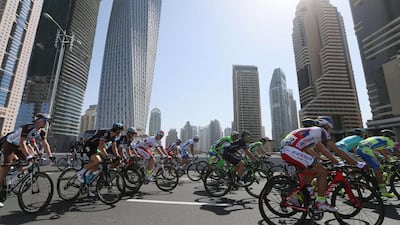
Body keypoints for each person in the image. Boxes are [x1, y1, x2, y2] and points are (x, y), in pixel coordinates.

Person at [280, 116, 362, 212]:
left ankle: (299, 195)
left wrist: (333, 161)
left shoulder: (313, 132)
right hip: (290, 151)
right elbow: (334, 148)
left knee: (311, 170)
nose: (330, 131)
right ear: (326, 126)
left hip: (288, 150)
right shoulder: (320, 131)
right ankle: (321, 202)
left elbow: (322, 149)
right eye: (331, 128)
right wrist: (356, 163)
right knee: (323, 172)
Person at [0, 113, 54, 208]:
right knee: (6, 168)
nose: (47, 123)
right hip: (9, 145)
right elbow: (22, 142)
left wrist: (50, 155)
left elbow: (45, 143)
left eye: (48, 121)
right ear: (38, 121)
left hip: (20, 146)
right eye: (45, 120)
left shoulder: (42, 131)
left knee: (32, 160)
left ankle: (12, 178)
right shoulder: (27, 127)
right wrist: (28, 155)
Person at [77, 122, 123, 188]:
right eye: (119, 130)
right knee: (97, 160)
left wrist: (118, 156)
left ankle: (87, 184)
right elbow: (102, 147)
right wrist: (107, 156)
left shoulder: (113, 137)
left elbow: (114, 147)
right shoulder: (106, 134)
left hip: (96, 148)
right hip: (89, 146)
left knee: (96, 169)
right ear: (115, 130)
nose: (120, 132)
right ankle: (81, 172)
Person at [356, 129, 400, 198]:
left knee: (377, 163)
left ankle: (372, 177)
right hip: (366, 150)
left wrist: (387, 158)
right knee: (377, 167)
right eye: (393, 138)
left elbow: (382, 151)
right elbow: (395, 152)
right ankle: (383, 190)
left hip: (360, 149)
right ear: (391, 137)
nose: (393, 139)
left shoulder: (380, 139)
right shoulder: (388, 140)